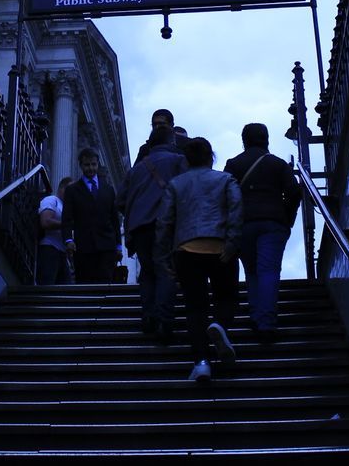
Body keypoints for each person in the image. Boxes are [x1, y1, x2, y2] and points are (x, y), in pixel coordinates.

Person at [155, 137, 242, 383]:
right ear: (210, 156)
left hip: (186, 249)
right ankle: (220, 325)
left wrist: (163, 257)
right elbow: (236, 209)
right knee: (227, 296)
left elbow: (164, 222)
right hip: (220, 247)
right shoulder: (225, 179)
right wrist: (233, 241)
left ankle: (201, 363)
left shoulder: (175, 184)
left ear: (187, 159)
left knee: (194, 308)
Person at [223, 123, 302, 342]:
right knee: (268, 271)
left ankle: (256, 314)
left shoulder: (234, 164)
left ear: (244, 140)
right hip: (273, 223)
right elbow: (295, 193)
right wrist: (287, 215)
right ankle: (265, 322)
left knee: (251, 272)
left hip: (243, 225)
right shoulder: (278, 164)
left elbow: (224, 195)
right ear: (266, 139)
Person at [118, 126, 187, 341]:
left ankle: (148, 316)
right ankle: (164, 320)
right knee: (165, 269)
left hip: (139, 228)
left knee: (147, 272)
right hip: (164, 224)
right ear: (171, 141)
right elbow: (186, 189)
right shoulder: (177, 161)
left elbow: (120, 200)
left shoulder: (136, 169)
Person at [62, 148, 123, 283]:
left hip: (107, 245)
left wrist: (118, 246)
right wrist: (68, 240)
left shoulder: (108, 189)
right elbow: (66, 218)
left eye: (93, 164)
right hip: (83, 247)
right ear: (81, 165)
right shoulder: (72, 190)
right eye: (87, 165)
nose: (91, 168)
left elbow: (114, 220)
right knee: (85, 284)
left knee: (105, 282)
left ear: (98, 164)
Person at [36, 177, 73, 286]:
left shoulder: (67, 207)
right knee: (47, 285)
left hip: (62, 252)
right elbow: (45, 221)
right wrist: (66, 225)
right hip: (49, 249)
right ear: (62, 188)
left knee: (66, 289)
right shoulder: (52, 200)